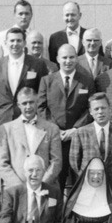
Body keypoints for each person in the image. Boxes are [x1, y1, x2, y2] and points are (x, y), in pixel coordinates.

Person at [38, 43, 95, 190]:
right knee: (56, 183)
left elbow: (91, 109)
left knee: (80, 181)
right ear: (57, 59)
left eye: (71, 57)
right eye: (64, 57)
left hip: (79, 137)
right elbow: (41, 108)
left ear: (77, 59)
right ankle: (58, 213)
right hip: (55, 139)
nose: (68, 61)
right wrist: (55, 129)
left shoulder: (87, 80)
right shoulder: (47, 81)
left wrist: (75, 129)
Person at [0, 26, 50, 137]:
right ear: (5, 43)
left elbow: (43, 96)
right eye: (12, 40)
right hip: (3, 122)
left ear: (25, 43)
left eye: (18, 40)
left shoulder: (38, 64)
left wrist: (42, 122)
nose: (15, 44)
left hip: (30, 122)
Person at [0, 88, 62, 188]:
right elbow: (2, 163)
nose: (28, 106)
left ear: (37, 102)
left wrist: (41, 185)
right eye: (24, 103)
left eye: (31, 102)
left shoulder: (51, 129)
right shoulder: (6, 129)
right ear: (18, 105)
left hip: (45, 187)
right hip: (15, 189)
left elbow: (56, 162)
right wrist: (20, 188)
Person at [68, 93, 112, 190]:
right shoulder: (80, 133)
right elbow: (75, 163)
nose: (100, 112)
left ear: (109, 109)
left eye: (103, 108)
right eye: (96, 109)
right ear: (90, 112)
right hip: (89, 188)